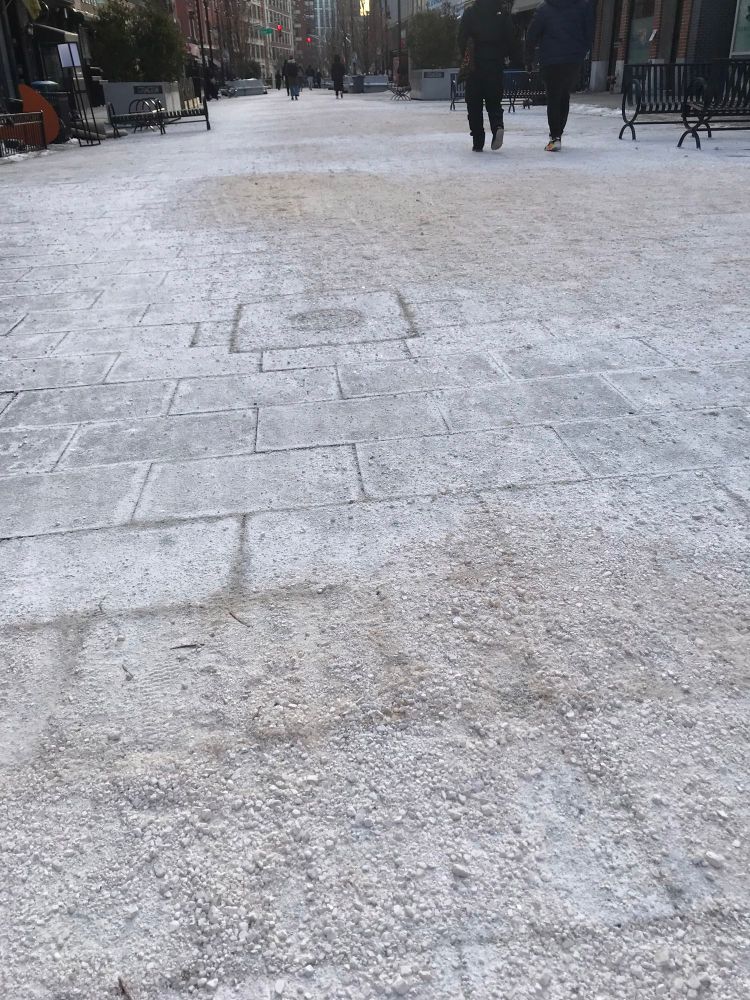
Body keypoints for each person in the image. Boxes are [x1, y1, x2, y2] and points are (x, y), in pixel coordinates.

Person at [526, 0, 595, 152]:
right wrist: (582, 52)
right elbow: (589, 32)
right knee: (564, 95)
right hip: (573, 60)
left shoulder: (543, 9)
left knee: (553, 97)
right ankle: (558, 133)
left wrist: (529, 58)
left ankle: (555, 136)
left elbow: (531, 35)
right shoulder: (583, 6)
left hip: (550, 61)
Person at [458, 0, 515, 152]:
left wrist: (465, 55)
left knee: (474, 103)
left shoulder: (470, 12)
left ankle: (478, 140)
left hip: (474, 64)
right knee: (494, 100)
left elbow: (461, 37)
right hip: (495, 63)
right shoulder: (502, 13)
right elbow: (511, 38)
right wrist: (505, 55)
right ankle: (497, 126)